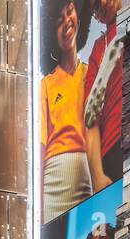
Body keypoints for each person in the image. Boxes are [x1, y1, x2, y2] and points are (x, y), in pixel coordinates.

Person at [41, 0, 93, 222]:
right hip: (54, 179)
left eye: (69, 11)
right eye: (58, 19)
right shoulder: (47, 84)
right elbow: (41, 147)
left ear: (79, 16)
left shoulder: (92, 74)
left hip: (86, 176)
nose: (66, 22)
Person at [83, 0, 123, 191]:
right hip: (113, 146)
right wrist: (97, 176)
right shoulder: (99, 49)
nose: (101, 8)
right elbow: (90, 120)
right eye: (95, 9)